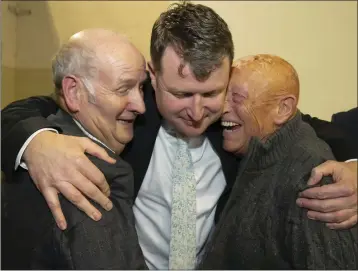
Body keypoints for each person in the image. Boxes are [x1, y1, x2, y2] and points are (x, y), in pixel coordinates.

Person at [1, 3, 357, 269]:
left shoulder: (236, 125)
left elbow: (311, 127)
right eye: (182, 94)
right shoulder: (129, 117)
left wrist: (355, 166)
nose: (198, 110)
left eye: (212, 93)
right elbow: (27, 110)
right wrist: (36, 144)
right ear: (152, 76)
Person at [1, 29, 148, 270]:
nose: (141, 105)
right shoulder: (82, 176)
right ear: (73, 92)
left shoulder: (47, 145)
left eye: (141, 87)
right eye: (123, 89)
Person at [198, 54, 358, 269]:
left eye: (237, 98)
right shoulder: (255, 149)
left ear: (282, 109)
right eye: (224, 94)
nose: (223, 108)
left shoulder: (315, 181)